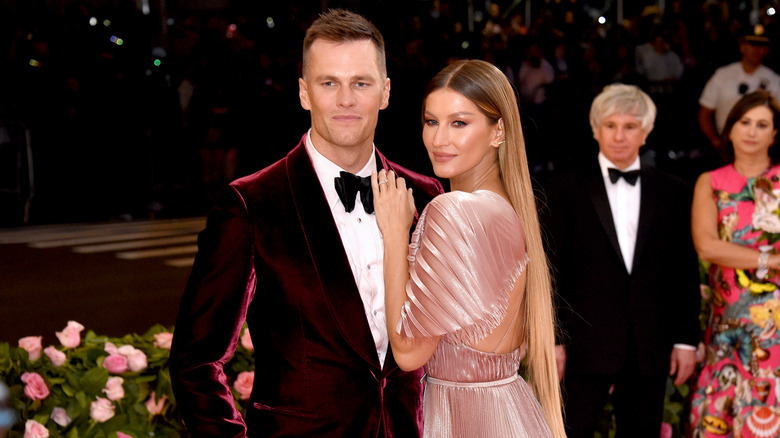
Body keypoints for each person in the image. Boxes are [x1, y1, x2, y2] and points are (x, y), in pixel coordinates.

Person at [169, 9, 444, 437]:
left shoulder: (426, 196)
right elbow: (195, 361)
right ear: (304, 93)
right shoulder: (251, 204)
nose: (346, 99)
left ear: (386, 92)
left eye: (361, 83)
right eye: (329, 83)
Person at [371, 59, 565, 437]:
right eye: (431, 121)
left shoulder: (455, 209)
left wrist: (395, 234)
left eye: (459, 123)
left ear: (498, 132)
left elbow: (409, 352)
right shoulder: (509, 210)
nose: (439, 139)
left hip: (460, 417)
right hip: (510, 409)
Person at [542, 83, 701, 437]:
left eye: (630, 127)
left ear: (646, 132)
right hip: (581, 343)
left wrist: (686, 340)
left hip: (650, 344)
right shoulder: (564, 188)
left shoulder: (672, 190)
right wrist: (552, 339)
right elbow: (550, 270)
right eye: (610, 125)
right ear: (595, 129)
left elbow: (683, 270)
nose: (619, 136)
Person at [689, 91, 780, 436]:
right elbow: (707, 246)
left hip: (776, 322)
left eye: (762, 124)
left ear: (774, 134)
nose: (752, 132)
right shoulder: (710, 182)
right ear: (730, 129)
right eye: (744, 122)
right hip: (728, 319)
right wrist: (769, 259)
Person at [699, 25, 780, 150]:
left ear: (766, 50)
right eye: (752, 45)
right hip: (725, 143)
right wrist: (714, 141)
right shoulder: (722, 75)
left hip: (759, 146)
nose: (756, 50)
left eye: (761, 46)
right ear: (742, 47)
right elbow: (705, 112)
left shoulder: (774, 79)